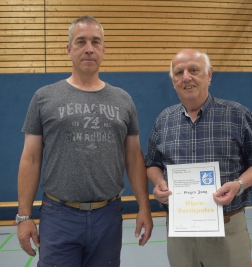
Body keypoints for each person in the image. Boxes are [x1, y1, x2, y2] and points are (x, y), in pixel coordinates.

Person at [16, 15, 153, 267]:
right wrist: (24, 215)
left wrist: (144, 207)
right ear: (69, 49)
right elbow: (31, 158)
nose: (89, 48)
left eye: (95, 42)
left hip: (108, 216)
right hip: (59, 215)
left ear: (103, 50)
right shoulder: (44, 97)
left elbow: (134, 157)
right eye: (81, 41)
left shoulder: (123, 100)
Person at [145, 49, 252, 267]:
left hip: (227, 226)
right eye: (179, 72)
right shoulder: (163, 120)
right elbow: (152, 164)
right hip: (180, 232)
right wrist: (158, 183)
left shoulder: (237, 115)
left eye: (194, 70)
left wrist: (239, 185)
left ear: (209, 74)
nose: (186, 77)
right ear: (173, 80)